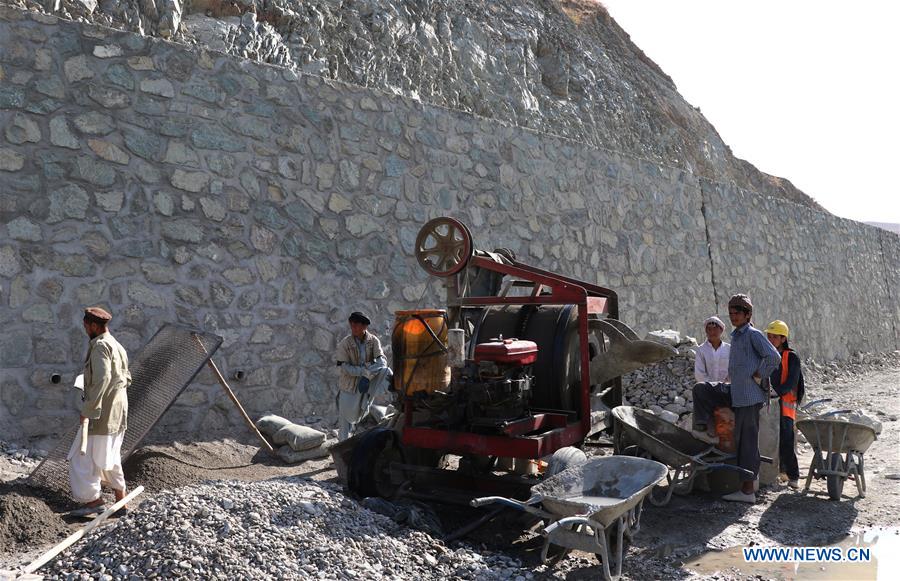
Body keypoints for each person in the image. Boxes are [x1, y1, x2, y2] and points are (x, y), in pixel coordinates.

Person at [692, 294, 780, 503]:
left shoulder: (753, 334)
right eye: (731, 313)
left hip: (749, 397)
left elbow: (773, 357)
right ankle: (705, 428)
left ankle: (747, 490)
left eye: (737, 313)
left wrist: (759, 375)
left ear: (748, 314)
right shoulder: (737, 336)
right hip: (734, 391)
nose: (733, 317)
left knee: (747, 442)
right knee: (702, 389)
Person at [67, 307, 131, 517]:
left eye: (86, 326)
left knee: (80, 458)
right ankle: (121, 502)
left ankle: (94, 502)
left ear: (94, 326)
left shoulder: (101, 346)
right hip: (116, 411)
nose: (85, 329)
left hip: (101, 413)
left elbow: (102, 378)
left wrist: (88, 410)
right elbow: (126, 378)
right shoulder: (117, 345)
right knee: (109, 456)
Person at [335, 311, 393, 441]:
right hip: (349, 385)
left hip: (367, 382)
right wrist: (364, 372)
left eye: (357, 325)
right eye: (352, 325)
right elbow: (345, 368)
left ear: (364, 327)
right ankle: (341, 447)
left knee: (386, 371)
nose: (354, 328)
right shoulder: (345, 344)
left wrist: (368, 375)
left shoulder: (373, 341)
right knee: (345, 419)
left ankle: (396, 398)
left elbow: (382, 361)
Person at [765, 320, 804, 489]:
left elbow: (792, 381)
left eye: (774, 337)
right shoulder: (767, 356)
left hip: (785, 404)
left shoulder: (791, 356)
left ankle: (793, 475)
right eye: (769, 336)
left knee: (787, 439)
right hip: (770, 403)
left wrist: (777, 392)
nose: (771, 339)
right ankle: (780, 472)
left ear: (783, 339)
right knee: (772, 438)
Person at [695, 315, 731, 384]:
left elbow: (733, 370)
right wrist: (712, 385)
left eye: (715, 329)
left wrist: (725, 384)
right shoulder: (701, 350)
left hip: (726, 388)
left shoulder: (729, 349)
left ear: (721, 330)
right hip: (708, 389)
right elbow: (699, 374)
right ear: (706, 331)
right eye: (709, 329)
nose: (712, 332)